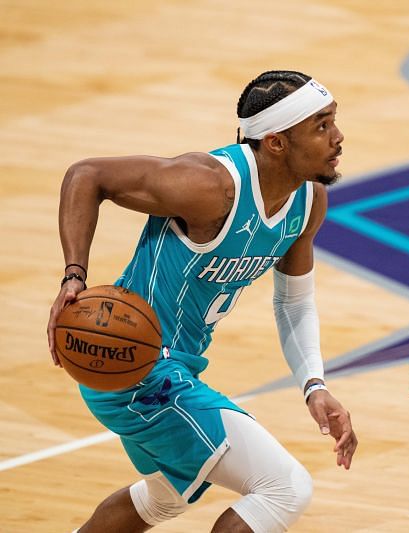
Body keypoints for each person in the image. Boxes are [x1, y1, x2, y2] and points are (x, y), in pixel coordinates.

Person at [46, 70, 357, 533]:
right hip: (135, 363)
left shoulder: (308, 200)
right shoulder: (208, 186)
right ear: (275, 142)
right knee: (284, 487)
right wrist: (74, 275)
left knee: (165, 498)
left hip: (172, 365)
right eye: (321, 126)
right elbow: (86, 175)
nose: (337, 137)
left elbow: (293, 302)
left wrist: (314, 385)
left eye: (333, 121)